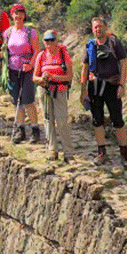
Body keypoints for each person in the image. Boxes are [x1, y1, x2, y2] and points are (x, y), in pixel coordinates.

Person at [80, 16, 127, 166]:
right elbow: (84, 68)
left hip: (112, 85)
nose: (98, 29)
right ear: (92, 29)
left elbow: (123, 63)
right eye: (95, 27)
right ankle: (101, 152)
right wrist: (83, 91)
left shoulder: (114, 43)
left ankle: (124, 153)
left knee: (118, 120)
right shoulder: (90, 46)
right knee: (97, 120)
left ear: (105, 27)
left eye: (100, 26)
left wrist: (122, 85)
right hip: (94, 86)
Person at [2, 4, 41, 143]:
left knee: (28, 100)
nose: (18, 16)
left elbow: (37, 50)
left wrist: (31, 64)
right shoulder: (7, 33)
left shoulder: (30, 32)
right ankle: (20, 130)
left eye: (20, 14)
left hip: (27, 70)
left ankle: (35, 129)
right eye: (15, 14)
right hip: (12, 70)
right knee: (17, 100)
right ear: (12, 15)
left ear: (24, 16)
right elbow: (6, 50)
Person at [33, 30, 75, 159]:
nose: (49, 43)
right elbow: (34, 77)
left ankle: (68, 153)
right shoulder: (41, 55)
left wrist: (52, 76)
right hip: (44, 90)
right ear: (44, 42)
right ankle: (52, 150)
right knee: (47, 120)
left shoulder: (64, 55)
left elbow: (69, 77)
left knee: (62, 121)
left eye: (52, 40)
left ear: (57, 41)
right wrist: (42, 79)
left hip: (59, 91)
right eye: (47, 40)